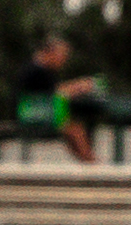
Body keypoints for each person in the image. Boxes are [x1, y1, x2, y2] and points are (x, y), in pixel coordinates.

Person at [14, 36, 100, 164]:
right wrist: (80, 86)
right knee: (75, 131)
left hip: (40, 112)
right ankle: (92, 164)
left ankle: (88, 162)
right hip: (33, 114)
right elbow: (57, 93)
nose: (64, 60)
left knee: (75, 129)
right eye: (62, 55)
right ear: (51, 53)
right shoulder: (36, 70)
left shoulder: (42, 70)